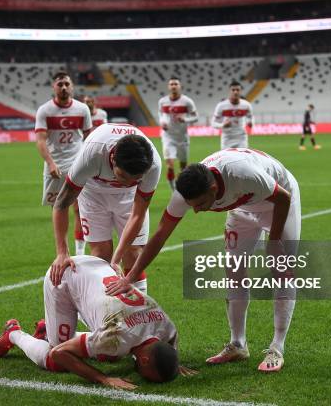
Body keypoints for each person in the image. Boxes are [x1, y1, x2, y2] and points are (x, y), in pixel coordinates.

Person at [106, 148, 301, 373]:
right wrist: (130, 277)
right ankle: (238, 344)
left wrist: (274, 241)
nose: (196, 211)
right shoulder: (185, 193)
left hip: (278, 202)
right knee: (234, 271)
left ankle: (277, 347)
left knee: (281, 270)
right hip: (241, 206)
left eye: (200, 204)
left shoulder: (242, 174)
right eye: (192, 205)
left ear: (213, 189)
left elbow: (283, 197)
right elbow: (160, 234)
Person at [0, 255, 197, 389]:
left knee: (109, 354)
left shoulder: (166, 328)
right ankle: (14, 333)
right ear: (144, 361)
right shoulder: (116, 337)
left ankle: (46, 331)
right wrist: (103, 378)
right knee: (56, 361)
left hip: (97, 266)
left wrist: (171, 363)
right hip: (63, 276)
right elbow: (60, 353)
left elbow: (170, 346)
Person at [50, 123, 161, 293]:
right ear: (112, 159)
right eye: (122, 176)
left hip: (130, 197)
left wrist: (116, 260)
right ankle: (103, 312)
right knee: (100, 254)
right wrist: (62, 252)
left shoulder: (153, 165)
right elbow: (61, 203)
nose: (126, 182)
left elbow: (138, 214)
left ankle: (138, 313)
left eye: (136, 179)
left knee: (133, 253)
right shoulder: (92, 154)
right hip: (94, 193)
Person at [35, 72, 92, 255]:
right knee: (58, 208)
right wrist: (50, 163)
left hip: (77, 162)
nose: (64, 87)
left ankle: (80, 253)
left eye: (67, 84)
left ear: (72, 86)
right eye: (60, 84)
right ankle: (62, 251)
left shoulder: (82, 109)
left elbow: (89, 137)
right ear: (54, 87)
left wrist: (89, 161)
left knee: (78, 207)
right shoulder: (45, 110)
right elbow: (41, 140)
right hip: (55, 166)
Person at [158, 77, 198, 190]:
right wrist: (162, 123)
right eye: (171, 84)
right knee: (170, 165)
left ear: (180, 86)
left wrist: (185, 119)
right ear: (168, 87)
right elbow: (160, 115)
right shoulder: (162, 101)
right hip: (168, 137)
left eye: (176, 84)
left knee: (183, 167)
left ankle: (181, 187)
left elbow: (195, 117)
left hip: (182, 137)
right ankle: (173, 190)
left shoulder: (187, 101)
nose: (173, 86)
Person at [212, 81, 253, 149]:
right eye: (233, 90)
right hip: (227, 138)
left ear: (241, 91)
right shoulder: (221, 106)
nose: (235, 92)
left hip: (241, 137)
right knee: (227, 159)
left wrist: (250, 123)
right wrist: (223, 125)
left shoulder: (246, 105)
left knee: (242, 158)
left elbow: (250, 118)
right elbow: (213, 123)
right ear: (229, 91)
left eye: (237, 90)